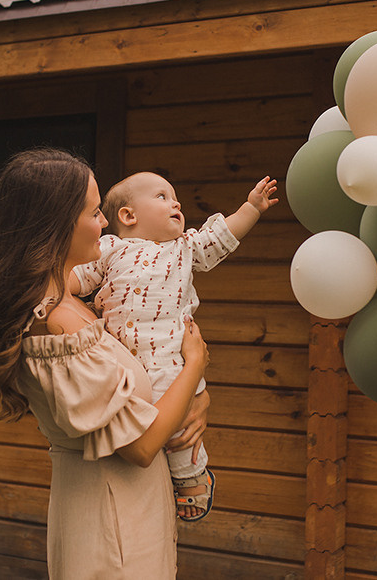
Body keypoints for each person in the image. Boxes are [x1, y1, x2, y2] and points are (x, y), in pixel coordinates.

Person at [0, 148, 211, 579]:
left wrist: (196, 401)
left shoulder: (76, 304)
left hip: (128, 510)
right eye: (95, 212)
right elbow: (140, 445)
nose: (104, 222)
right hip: (113, 523)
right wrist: (194, 364)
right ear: (56, 224)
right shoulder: (54, 325)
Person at [70, 171, 278, 521]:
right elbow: (78, 278)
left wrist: (251, 208)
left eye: (175, 197)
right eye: (163, 197)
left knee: (181, 429)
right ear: (128, 216)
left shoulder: (183, 247)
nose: (176, 203)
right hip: (123, 361)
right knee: (139, 418)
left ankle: (189, 476)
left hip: (169, 359)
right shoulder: (109, 249)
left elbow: (221, 236)